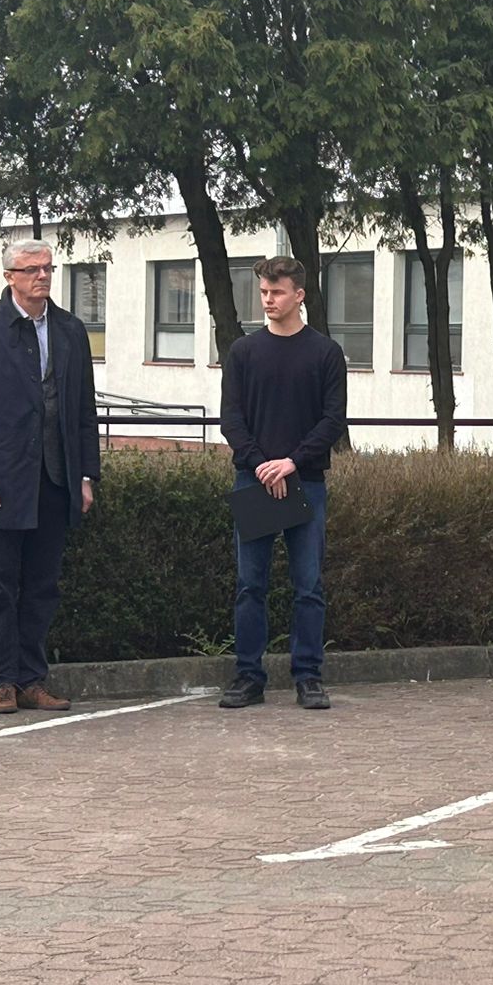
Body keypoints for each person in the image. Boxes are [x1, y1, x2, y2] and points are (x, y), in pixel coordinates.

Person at [0, 238, 101, 715]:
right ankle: (3, 681)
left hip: (55, 477)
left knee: (42, 586)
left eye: (48, 268)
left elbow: (84, 409)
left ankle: (33, 679)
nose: (43, 276)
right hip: (0, 480)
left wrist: (86, 475)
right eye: (32, 269)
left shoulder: (70, 330)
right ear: (10, 276)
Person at [217, 256, 350, 711]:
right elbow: (231, 418)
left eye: (276, 292)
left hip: (305, 481)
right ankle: (248, 677)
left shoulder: (325, 353)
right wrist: (262, 466)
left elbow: (332, 420)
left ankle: (308, 677)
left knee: (308, 585)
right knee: (250, 585)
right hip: (254, 480)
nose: (268, 300)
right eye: (264, 292)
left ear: (299, 295)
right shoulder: (244, 352)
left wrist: (291, 462)